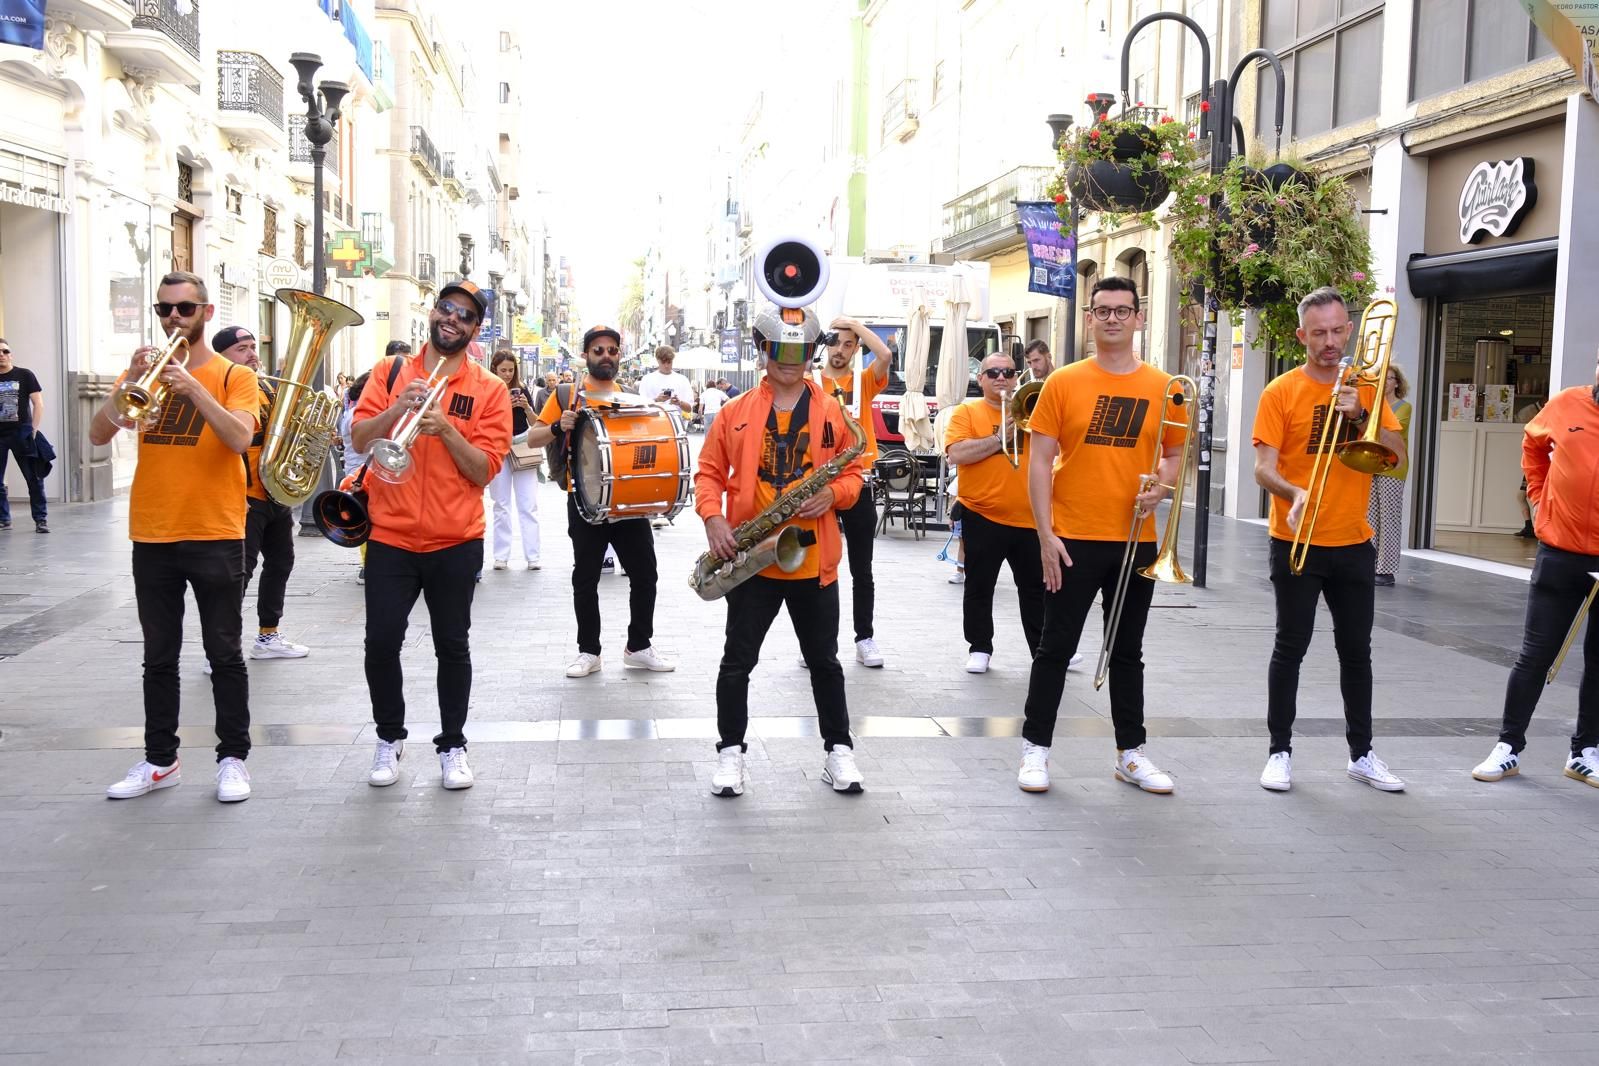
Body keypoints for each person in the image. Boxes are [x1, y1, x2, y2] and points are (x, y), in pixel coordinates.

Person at [91, 271, 259, 803]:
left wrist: (192, 388)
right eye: (164, 310)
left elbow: (238, 438)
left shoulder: (235, 375)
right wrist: (130, 383)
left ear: (206, 314)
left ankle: (233, 758)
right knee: (158, 656)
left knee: (224, 652)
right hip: (154, 531)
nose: (172, 320)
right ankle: (160, 760)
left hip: (215, 529)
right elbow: (97, 435)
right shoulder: (144, 372)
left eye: (183, 310)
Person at [1016, 277, 1180, 795]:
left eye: (1122, 311)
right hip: (1073, 538)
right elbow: (1039, 461)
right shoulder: (1063, 382)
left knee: (1127, 651)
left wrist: (1163, 487)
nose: (1112, 319)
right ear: (1089, 318)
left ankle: (1131, 754)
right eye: (1102, 311)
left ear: (1139, 317)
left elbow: (1174, 455)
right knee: (1054, 649)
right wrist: (1045, 535)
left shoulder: (1165, 387)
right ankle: (1035, 751)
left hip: (1136, 538)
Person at [696, 305, 867, 797]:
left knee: (826, 663)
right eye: (780, 350)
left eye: (800, 351)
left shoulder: (834, 411)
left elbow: (855, 473)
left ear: (812, 354)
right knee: (737, 663)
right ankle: (730, 754)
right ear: (764, 351)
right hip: (754, 557)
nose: (790, 360)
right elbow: (708, 472)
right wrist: (713, 518)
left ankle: (839, 751)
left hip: (813, 557)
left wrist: (834, 494)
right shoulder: (734, 412)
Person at [351, 279, 511, 790]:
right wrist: (400, 407)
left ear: (475, 328)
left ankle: (452, 744)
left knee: (453, 646)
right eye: (446, 309)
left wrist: (445, 427)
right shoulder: (390, 371)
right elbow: (357, 438)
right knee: (380, 645)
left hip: (455, 539)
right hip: (391, 537)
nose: (452, 319)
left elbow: (484, 470)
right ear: (432, 312)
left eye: (464, 316)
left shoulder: (490, 390)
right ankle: (389, 737)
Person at [1252, 287, 1408, 793]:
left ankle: (1362, 754)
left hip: (1353, 541)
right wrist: (1293, 490)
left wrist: (1361, 417)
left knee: (1356, 652)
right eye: (1319, 333)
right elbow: (1262, 469)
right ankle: (1279, 751)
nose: (1331, 341)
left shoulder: (1368, 386)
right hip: (1296, 538)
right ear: (1302, 336)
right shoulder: (1280, 391)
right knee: (1290, 648)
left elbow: (1398, 459)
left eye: (1339, 330)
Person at [1473, 348, 1599, 787]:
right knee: (1534, 655)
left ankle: (1585, 751)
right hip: (1560, 551)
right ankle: (1508, 746)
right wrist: (1540, 499)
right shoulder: (1567, 403)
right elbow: (1532, 443)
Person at [527, 325, 674, 678]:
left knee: (645, 575)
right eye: (598, 350)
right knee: (586, 578)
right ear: (586, 356)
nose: (606, 356)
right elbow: (532, 439)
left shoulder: (630, 394)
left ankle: (638, 645)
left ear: (619, 355)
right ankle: (588, 651)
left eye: (612, 350)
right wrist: (558, 426)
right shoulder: (566, 394)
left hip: (626, 502)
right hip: (584, 502)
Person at [210, 325, 311, 664]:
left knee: (282, 562)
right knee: (240, 572)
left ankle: (268, 636)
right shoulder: (220, 388)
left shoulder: (268, 386)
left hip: (274, 493)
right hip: (242, 493)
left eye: (253, 346)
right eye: (242, 348)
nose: (252, 353)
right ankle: (220, 649)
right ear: (221, 357)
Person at [944, 352, 1045, 674]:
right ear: (981, 378)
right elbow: (956, 453)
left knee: (1037, 590)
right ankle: (980, 648)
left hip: (1030, 517)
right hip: (982, 514)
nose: (1001, 377)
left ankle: (1044, 650)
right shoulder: (967, 411)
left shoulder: (1033, 409)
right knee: (979, 586)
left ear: (1017, 377)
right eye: (993, 372)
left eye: (1008, 372)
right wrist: (1000, 437)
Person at [816, 316, 893, 667]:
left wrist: (855, 325)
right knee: (819, 568)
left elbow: (886, 355)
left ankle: (865, 638)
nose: (840, 350)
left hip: (859, 481)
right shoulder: (812, 382)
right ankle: (818, 641)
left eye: (849, 344)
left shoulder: (863, 381)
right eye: (835, 342)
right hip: (821, 484)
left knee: (862, 569)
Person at [488, 350, 541, 571]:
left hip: (521, 446)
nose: (508, 375)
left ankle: (533, 556)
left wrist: (526, 407)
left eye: (511, 370)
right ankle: (501, 556)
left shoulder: (523, 390)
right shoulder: (488, 390)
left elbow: (536, 422)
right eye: (503, 370)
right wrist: (505, 407)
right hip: (497, 447)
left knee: (528, 504)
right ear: (494, 369)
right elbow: (484, 421)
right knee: (501, 504)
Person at [1368, 365, 1411, 587]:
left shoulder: (1404, 407)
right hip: (1371, 464)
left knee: (1389, 518)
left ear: (1397, 383)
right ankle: (1370, 564)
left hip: (1393, 467)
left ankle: (1386, 569)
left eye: (1389, 378)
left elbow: (1387, 428)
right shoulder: (1372, 405)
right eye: (1379, 378)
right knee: (1371, 517)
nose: (1383, 381)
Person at [0, 339, 47, 532]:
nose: (1, 354)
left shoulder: (24, 375)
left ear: (11, 354)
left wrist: (33, 429)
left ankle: (40, 519)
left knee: (34, 478)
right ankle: (4, 519)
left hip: (22, 433)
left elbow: (38, 403)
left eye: (5, 351)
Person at [638, 345, 695, 418]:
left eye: (669, 362)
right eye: (663, 362)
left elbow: (689, 409)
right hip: (653, 422)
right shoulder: (647, 379)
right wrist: (656, 400)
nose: (666, 366)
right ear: (658, 361)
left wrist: (679, 403)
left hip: (675, 424)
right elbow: (641, 406)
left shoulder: (683, 380)